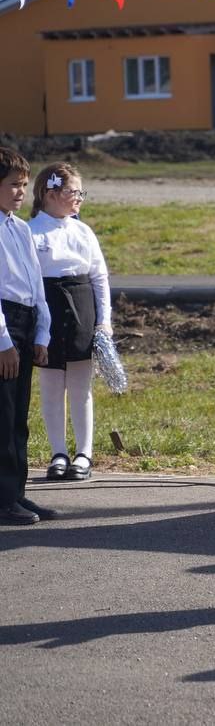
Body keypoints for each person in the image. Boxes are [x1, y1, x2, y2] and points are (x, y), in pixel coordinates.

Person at [29, 163, 111, 482]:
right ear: (49, 193)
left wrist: (104, 322)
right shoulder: (31, 232)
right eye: (72, 191)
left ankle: (84, 453)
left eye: (80, 192)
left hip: (81, 307)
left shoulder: (83, 232)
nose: (78, 197)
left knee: (80, 384)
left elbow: (100, 277)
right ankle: (58, 452)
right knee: (51, 386)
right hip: (47, 308)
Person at [0, 147, 53, 525]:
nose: (22, 191)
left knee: (19, 416)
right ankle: (3, 500)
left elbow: (36, 283)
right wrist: (3, 342)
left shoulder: (19, 227)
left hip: (25, 319)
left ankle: (17, 492)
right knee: (2, 417)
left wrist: (42, 331)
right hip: (3, 325)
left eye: (23, 185)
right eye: (13, 185)